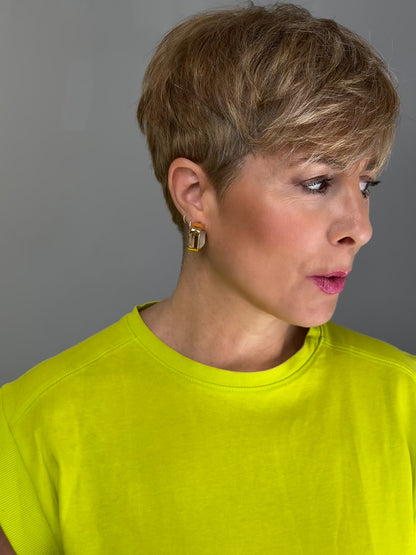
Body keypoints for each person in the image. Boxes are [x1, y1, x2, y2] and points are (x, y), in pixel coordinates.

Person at [0, 3, 414, 554]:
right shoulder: (32, 426)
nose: (359, 229)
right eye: (317, 183)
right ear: (195, 193)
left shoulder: (405, 404)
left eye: (366, 186)